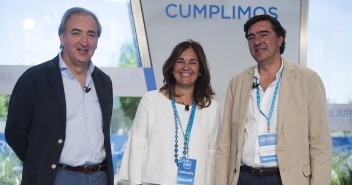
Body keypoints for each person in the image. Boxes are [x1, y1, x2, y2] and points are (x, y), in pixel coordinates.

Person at [215, 14, 332, 185]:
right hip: (243, 177)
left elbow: (321, 145)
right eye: (251, 37)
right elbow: (225, 143)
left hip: (286, 179)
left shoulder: (307, 80)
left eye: (264, 34)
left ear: (279, 39)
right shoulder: (238, 82)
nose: (257, 41)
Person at [5, 7, 114, 185]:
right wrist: (42, 162)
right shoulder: (35, 78)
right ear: (62, 38)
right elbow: (14, 132)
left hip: (100, 177)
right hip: (56, 178)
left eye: (91, 35)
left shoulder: (104, 82)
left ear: (97, 42)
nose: (84, 41)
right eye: (76, 33)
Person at [118, 40, 220, 185]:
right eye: (180, 61)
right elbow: (137, 144)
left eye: (192, 62)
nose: (186, 67)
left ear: (200, 70)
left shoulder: (211, 108)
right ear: (172, 67)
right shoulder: (151, 100)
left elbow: (212, 153)